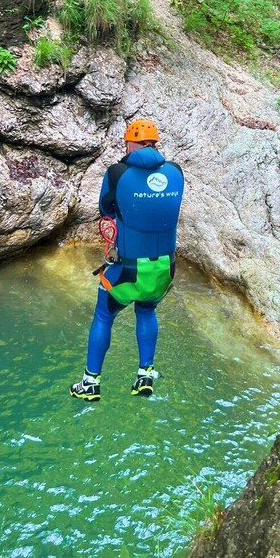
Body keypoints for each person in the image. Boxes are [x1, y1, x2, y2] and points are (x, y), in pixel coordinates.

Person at [70, 119, 184, 402]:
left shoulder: (118, 173)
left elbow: (106, 208)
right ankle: (145, 375)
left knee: (103, 315)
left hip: (129, 270)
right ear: (155, 143)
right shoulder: (176, 172)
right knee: (146, 312)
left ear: (130, 144)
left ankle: (90, 382)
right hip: (164, 270)